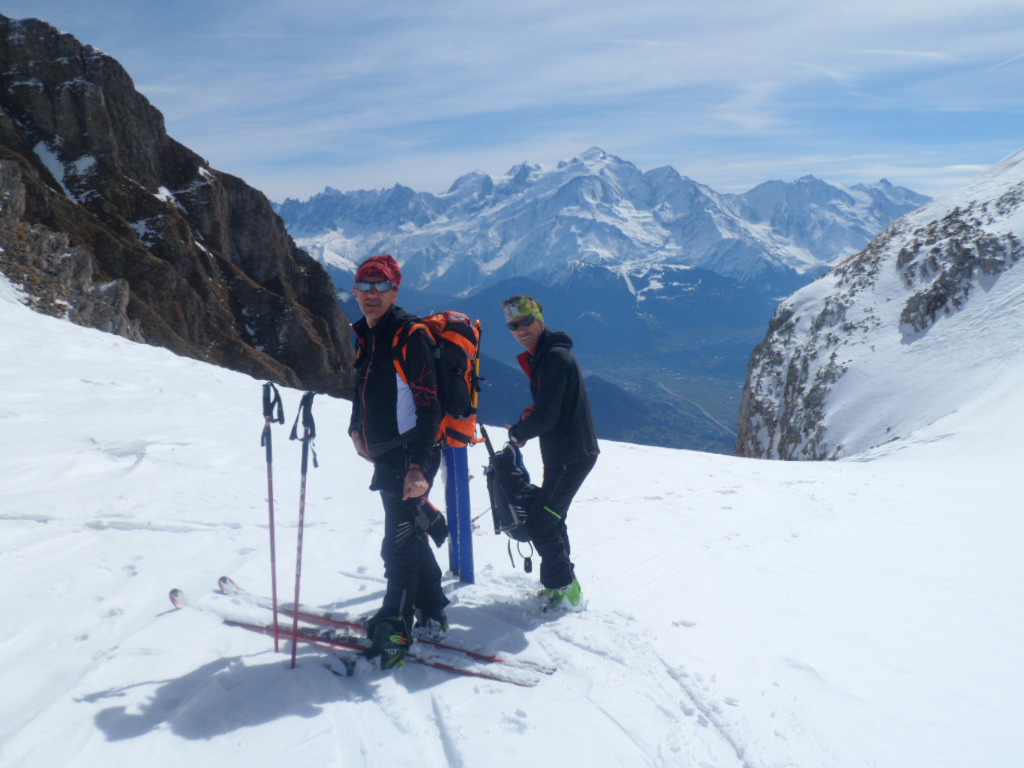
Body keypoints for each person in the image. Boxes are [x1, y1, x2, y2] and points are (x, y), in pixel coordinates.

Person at [347, 254, 449, 669]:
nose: (372, 295)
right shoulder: (370, 335)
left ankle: (395, 627)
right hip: (390, 457)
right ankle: (434, 605)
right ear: (354, 291)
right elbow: (363, 387)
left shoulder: (410, 337)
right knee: (407, 536)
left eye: (380, 286)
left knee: (398, 546)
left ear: (395, 290)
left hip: (411, 457)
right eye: (364, 286)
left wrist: (419, 469)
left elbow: (431, 408)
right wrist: (356, 427)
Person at [502, 294, 599, 609]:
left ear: (540, 319)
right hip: (565, 453)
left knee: (543, 522)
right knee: (552, 518)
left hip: (571, 455)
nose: (521, 329)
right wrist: (533, 418)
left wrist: (519, 432)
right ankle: (564, 585)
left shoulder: (553, 358)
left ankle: (565, 587)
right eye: (514, 325)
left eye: (526, 321)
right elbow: (549, 409)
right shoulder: (548, 356)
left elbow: (548, 417)